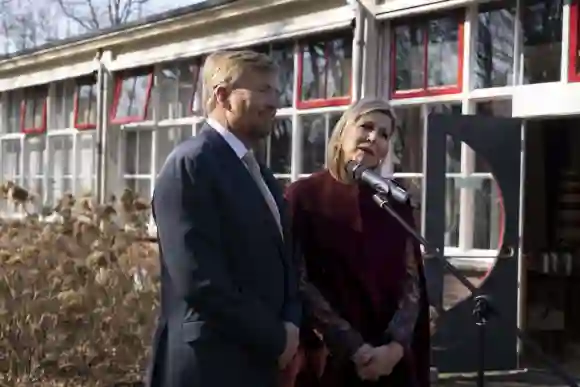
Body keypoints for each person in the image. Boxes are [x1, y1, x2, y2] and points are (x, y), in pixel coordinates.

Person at [146, 50, 301, 387]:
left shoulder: (261, 174)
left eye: (276, 91)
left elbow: (285, 261)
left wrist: (292, 324)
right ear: (223, 96)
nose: (274, 103)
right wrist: (276, 337)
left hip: (258, 362)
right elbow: (199, 279)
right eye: (262, 90)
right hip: (209, 365)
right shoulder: (191, 166)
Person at [284, 98, 431, 387]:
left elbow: (412, 284)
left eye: (385, 134)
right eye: (366, 126)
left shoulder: (393, 201)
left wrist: (395, 348)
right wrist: (354, 348)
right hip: (328, 361)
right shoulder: (303, 197)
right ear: (342, 133)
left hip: (391, 364)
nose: (374, 137)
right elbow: (298, 282)